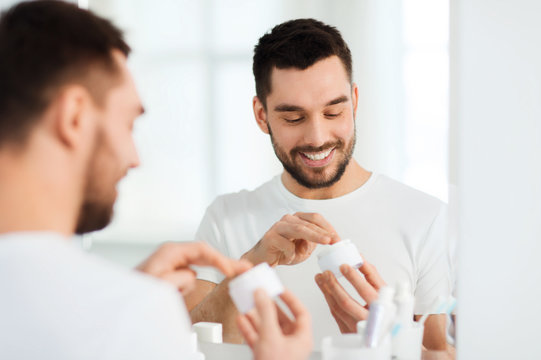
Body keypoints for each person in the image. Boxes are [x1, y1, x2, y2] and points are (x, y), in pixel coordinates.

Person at [0, 2, 312, 360]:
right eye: (128, 124)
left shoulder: (123, 310)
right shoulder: (134, 315)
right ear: (74, 118)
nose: (134, 158)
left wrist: (128, 298)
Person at [187, 18, 453, 351]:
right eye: (293, 118)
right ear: (261, 115)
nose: (317, 138)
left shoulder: (425, 219)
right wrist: (252, 264)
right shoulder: (226, 219)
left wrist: (392, 341)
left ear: (354, 101)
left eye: (333, 112)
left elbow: (447, 354)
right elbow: (184, 347)